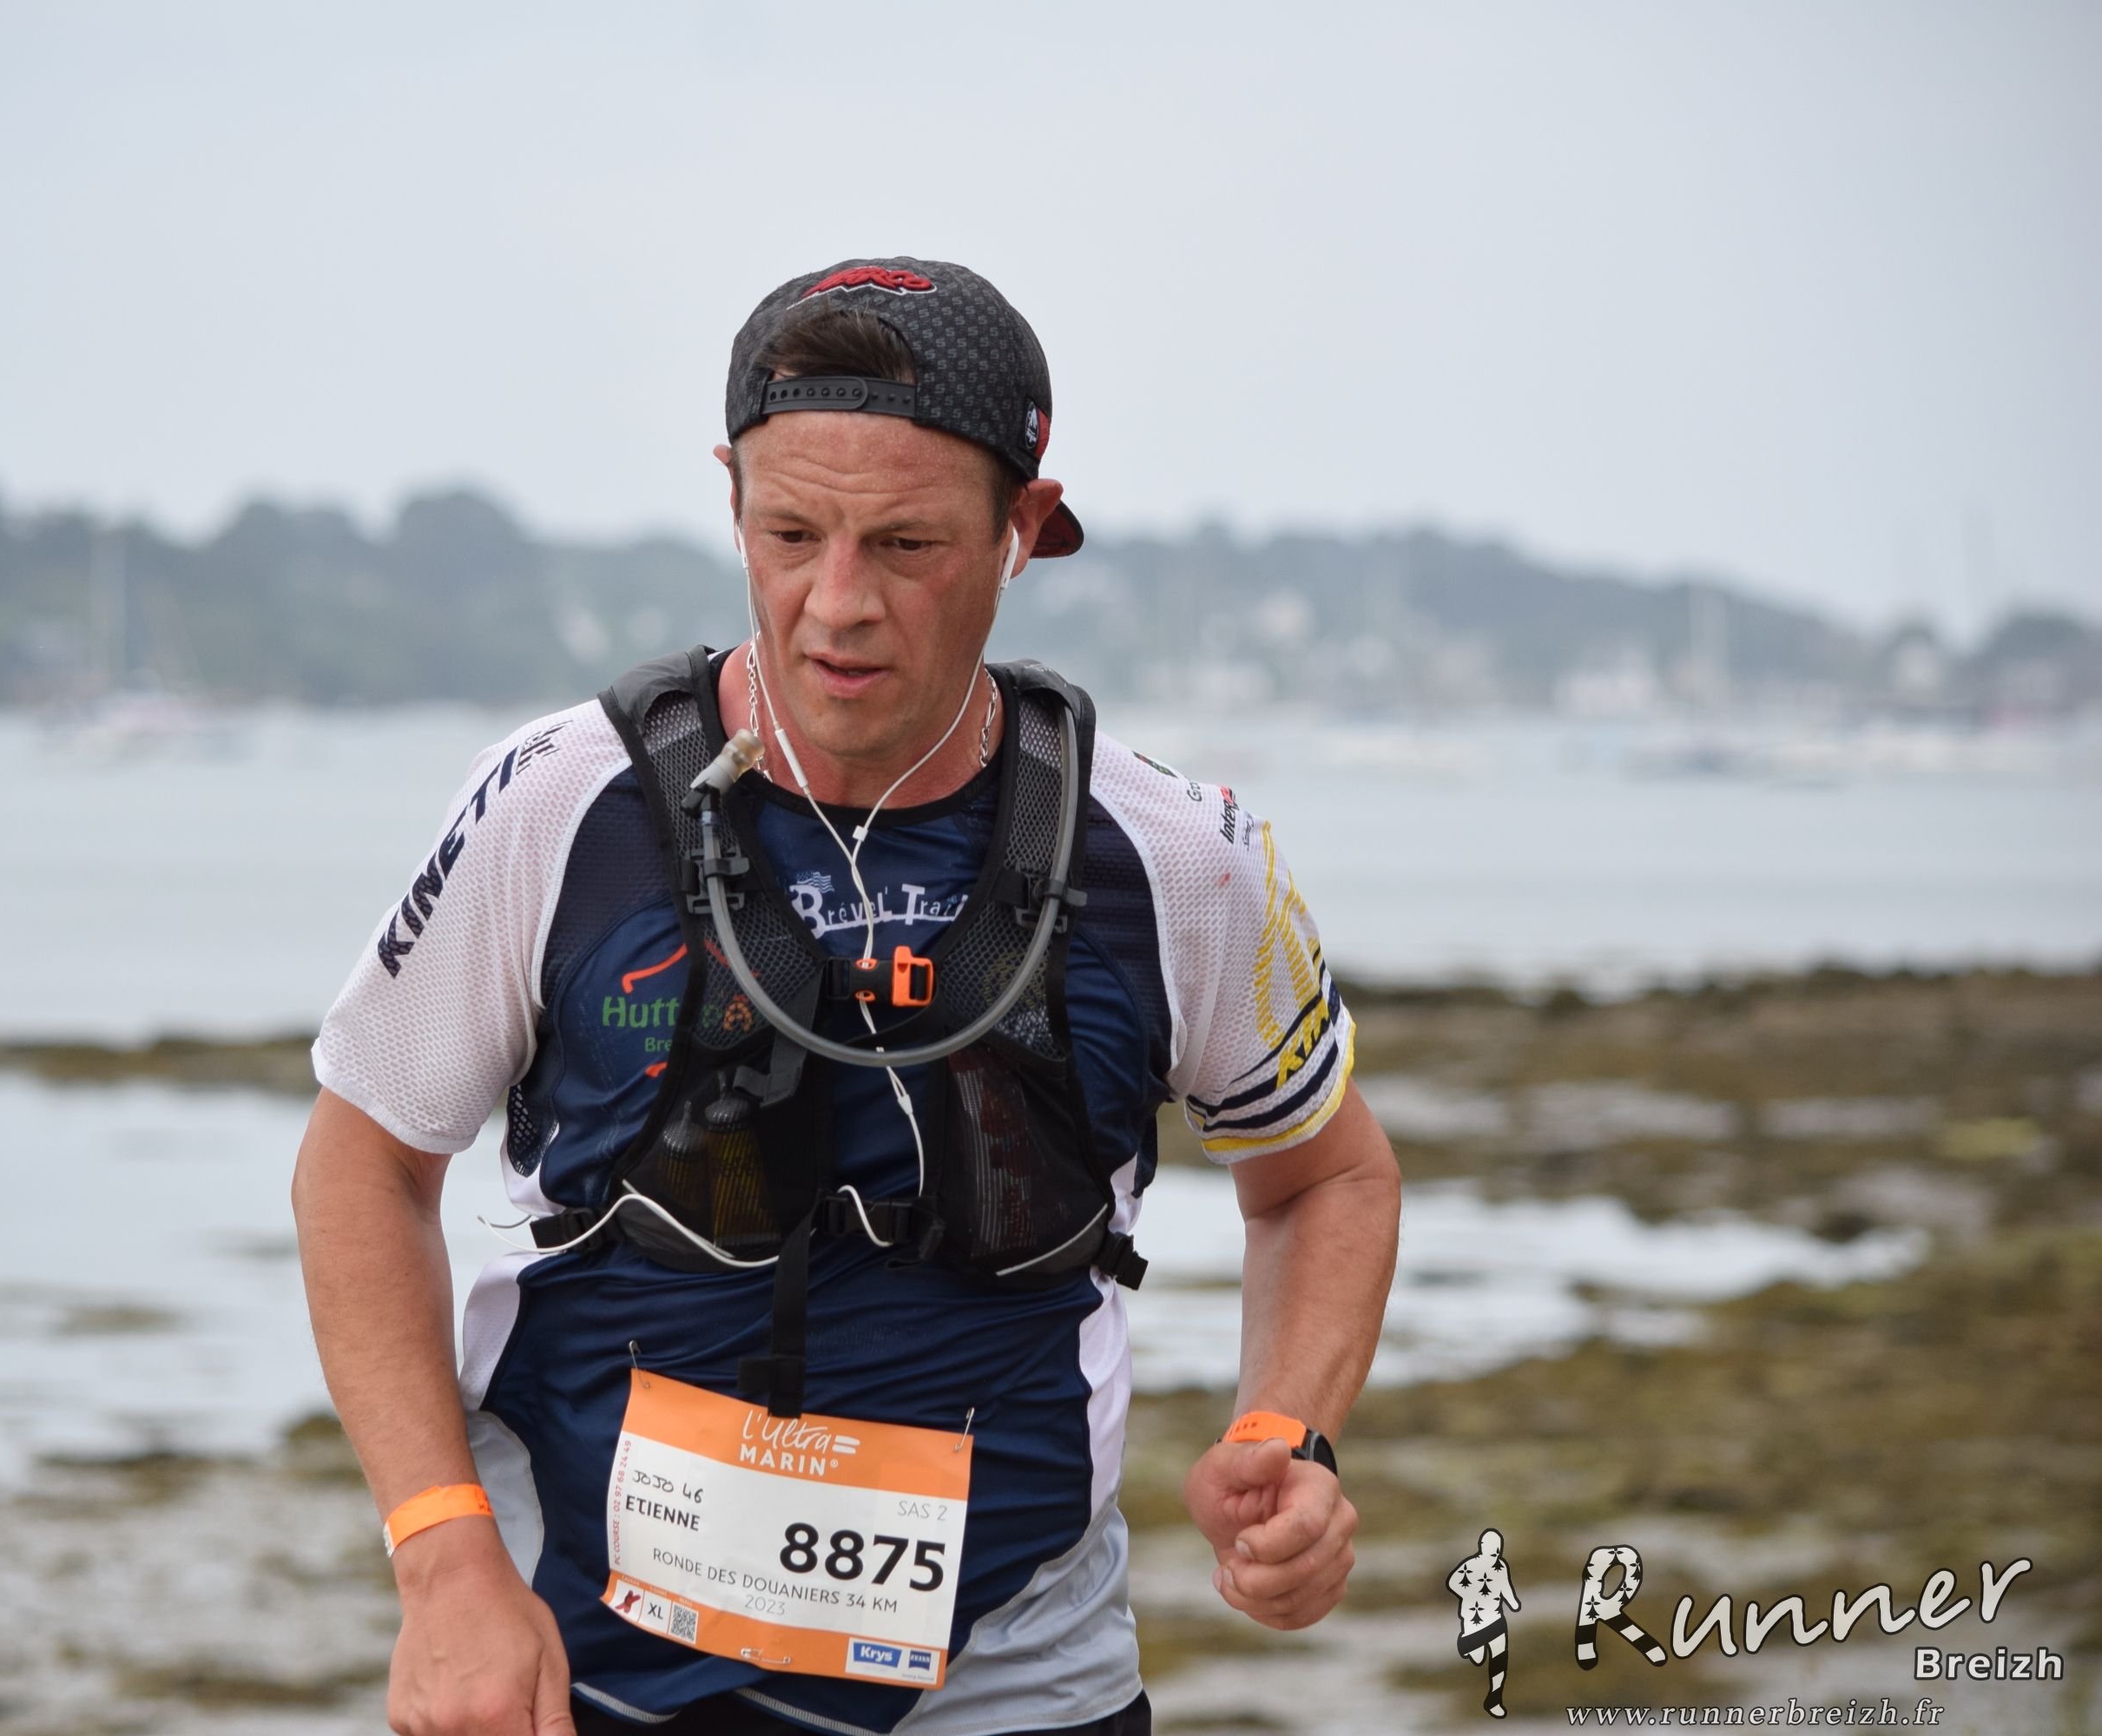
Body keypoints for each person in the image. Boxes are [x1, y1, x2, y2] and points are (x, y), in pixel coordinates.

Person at [293, 256, 1402, 1736]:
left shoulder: (1178, 856)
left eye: (906, 544)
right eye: (790, 534)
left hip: (1016, 1683)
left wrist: (1287, 1428)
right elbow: (361, 1164)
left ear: (1022, 528)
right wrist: (442, 1561)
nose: (838, 606)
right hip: (581, 1670)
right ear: (730, 500)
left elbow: (1327, 1177)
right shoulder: (559, 804)